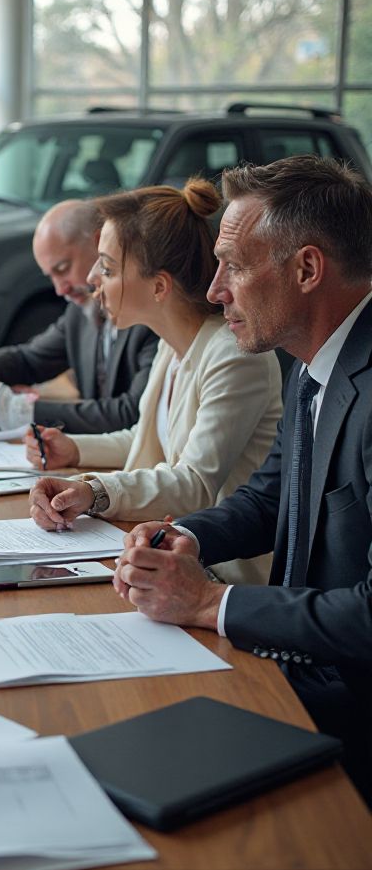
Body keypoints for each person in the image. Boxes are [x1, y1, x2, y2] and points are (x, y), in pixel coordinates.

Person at [114, 155, 372, 805]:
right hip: (294, 668)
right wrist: (185, 538)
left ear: (307, 269)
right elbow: (271, 494)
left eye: (234, 264)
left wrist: (207, 603)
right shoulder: (315, 362)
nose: (217, 287)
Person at [26, 182, 282, 585]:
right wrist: (75, 449)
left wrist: (94, 490)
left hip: (221, 576)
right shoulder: (172, 347)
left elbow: (194, 482)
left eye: (107, 268)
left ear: (159, 287)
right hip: (166, 554)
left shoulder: (233, 355)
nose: (93, 279)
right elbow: (146, 437)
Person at [0, 198, 158, 434]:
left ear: (100, 242)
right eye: (50, 276)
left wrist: (16, 408)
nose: (60, 289)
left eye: (62, 269)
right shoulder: (80, 312)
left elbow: (133, 414)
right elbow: (32, 359)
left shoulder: (150, 318)